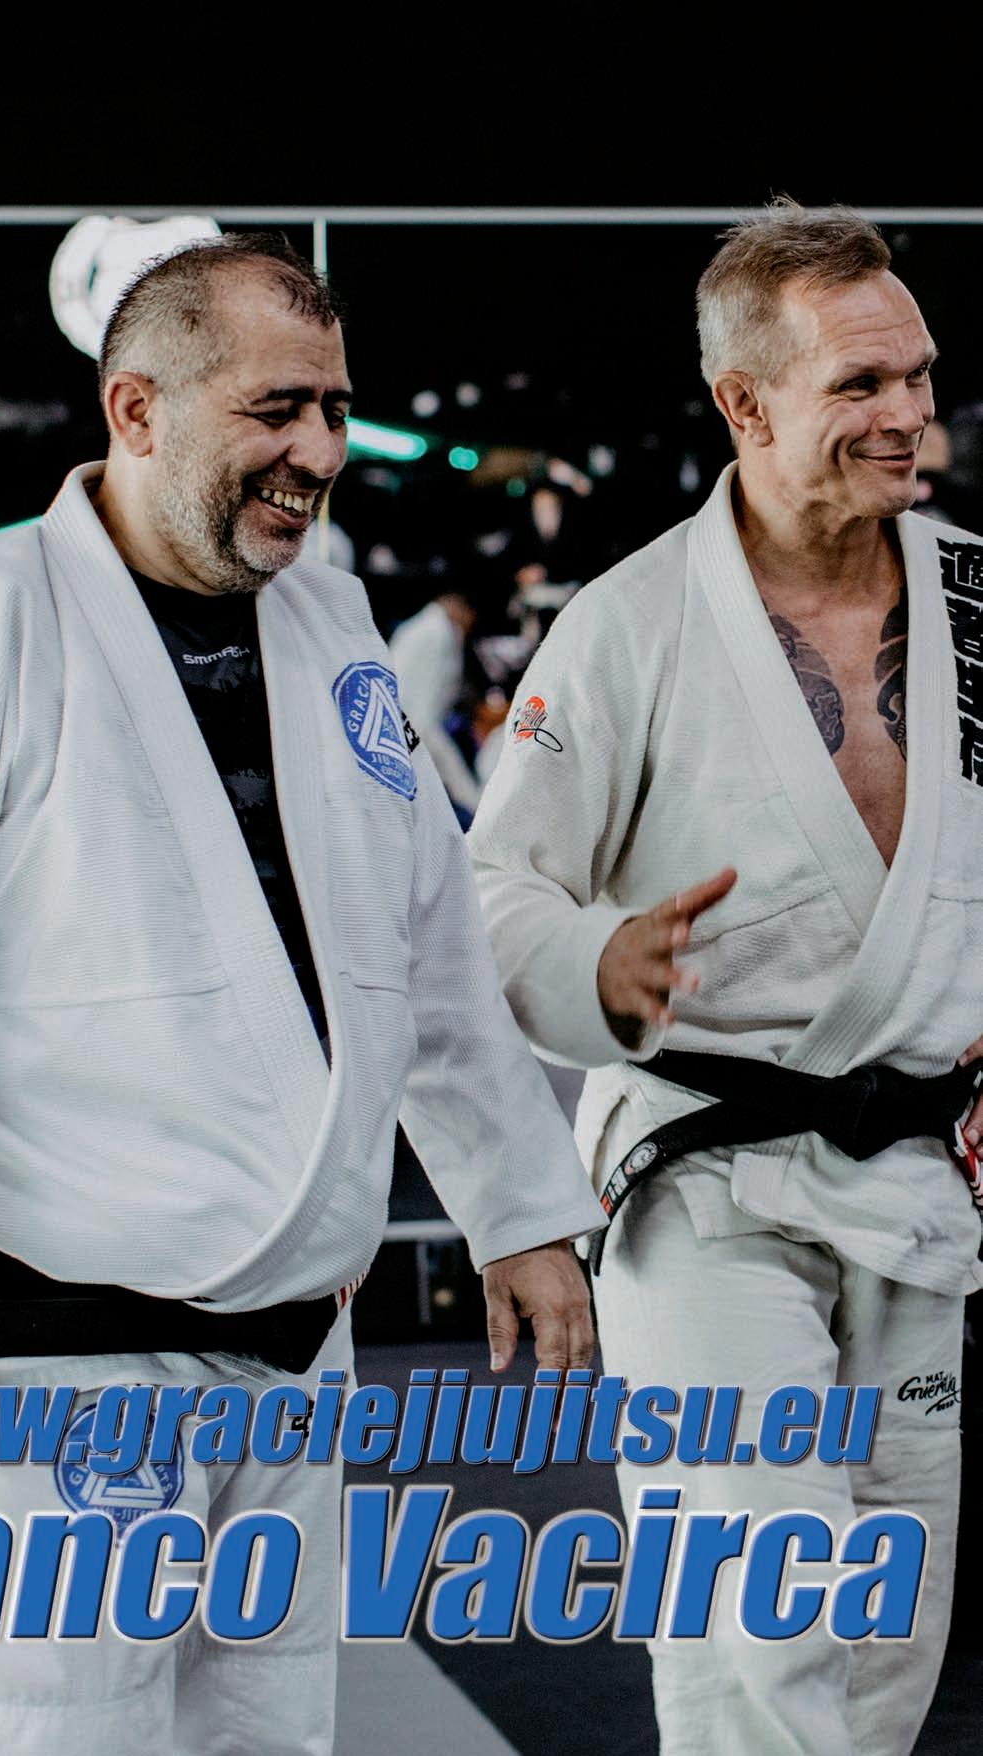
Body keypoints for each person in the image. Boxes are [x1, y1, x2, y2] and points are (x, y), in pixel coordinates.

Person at [0, 234, 604, 1756]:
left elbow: (423, 946)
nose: (322, 453)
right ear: (137, 410)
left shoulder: (334, 631)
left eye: (334, 410)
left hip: (295, 1350)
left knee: (270, 1743)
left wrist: (518, 1207)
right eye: (277, 409)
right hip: (58, 1353)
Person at [469, 201, 983, 1756]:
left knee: (889, 1638)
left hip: (918, 1183)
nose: (906, 413)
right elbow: (493, 892)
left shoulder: (975, 598)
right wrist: (597, 964)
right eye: (858, 384)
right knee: (768, 1627)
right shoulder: (627, 626)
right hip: (710, 1184)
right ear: (743, 405)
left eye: (916, 375)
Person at [388, 590, 482, 817]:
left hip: (408, 723)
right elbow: (423, 714)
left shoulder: (418, 627)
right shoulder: (437, 633)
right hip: (414, 725)